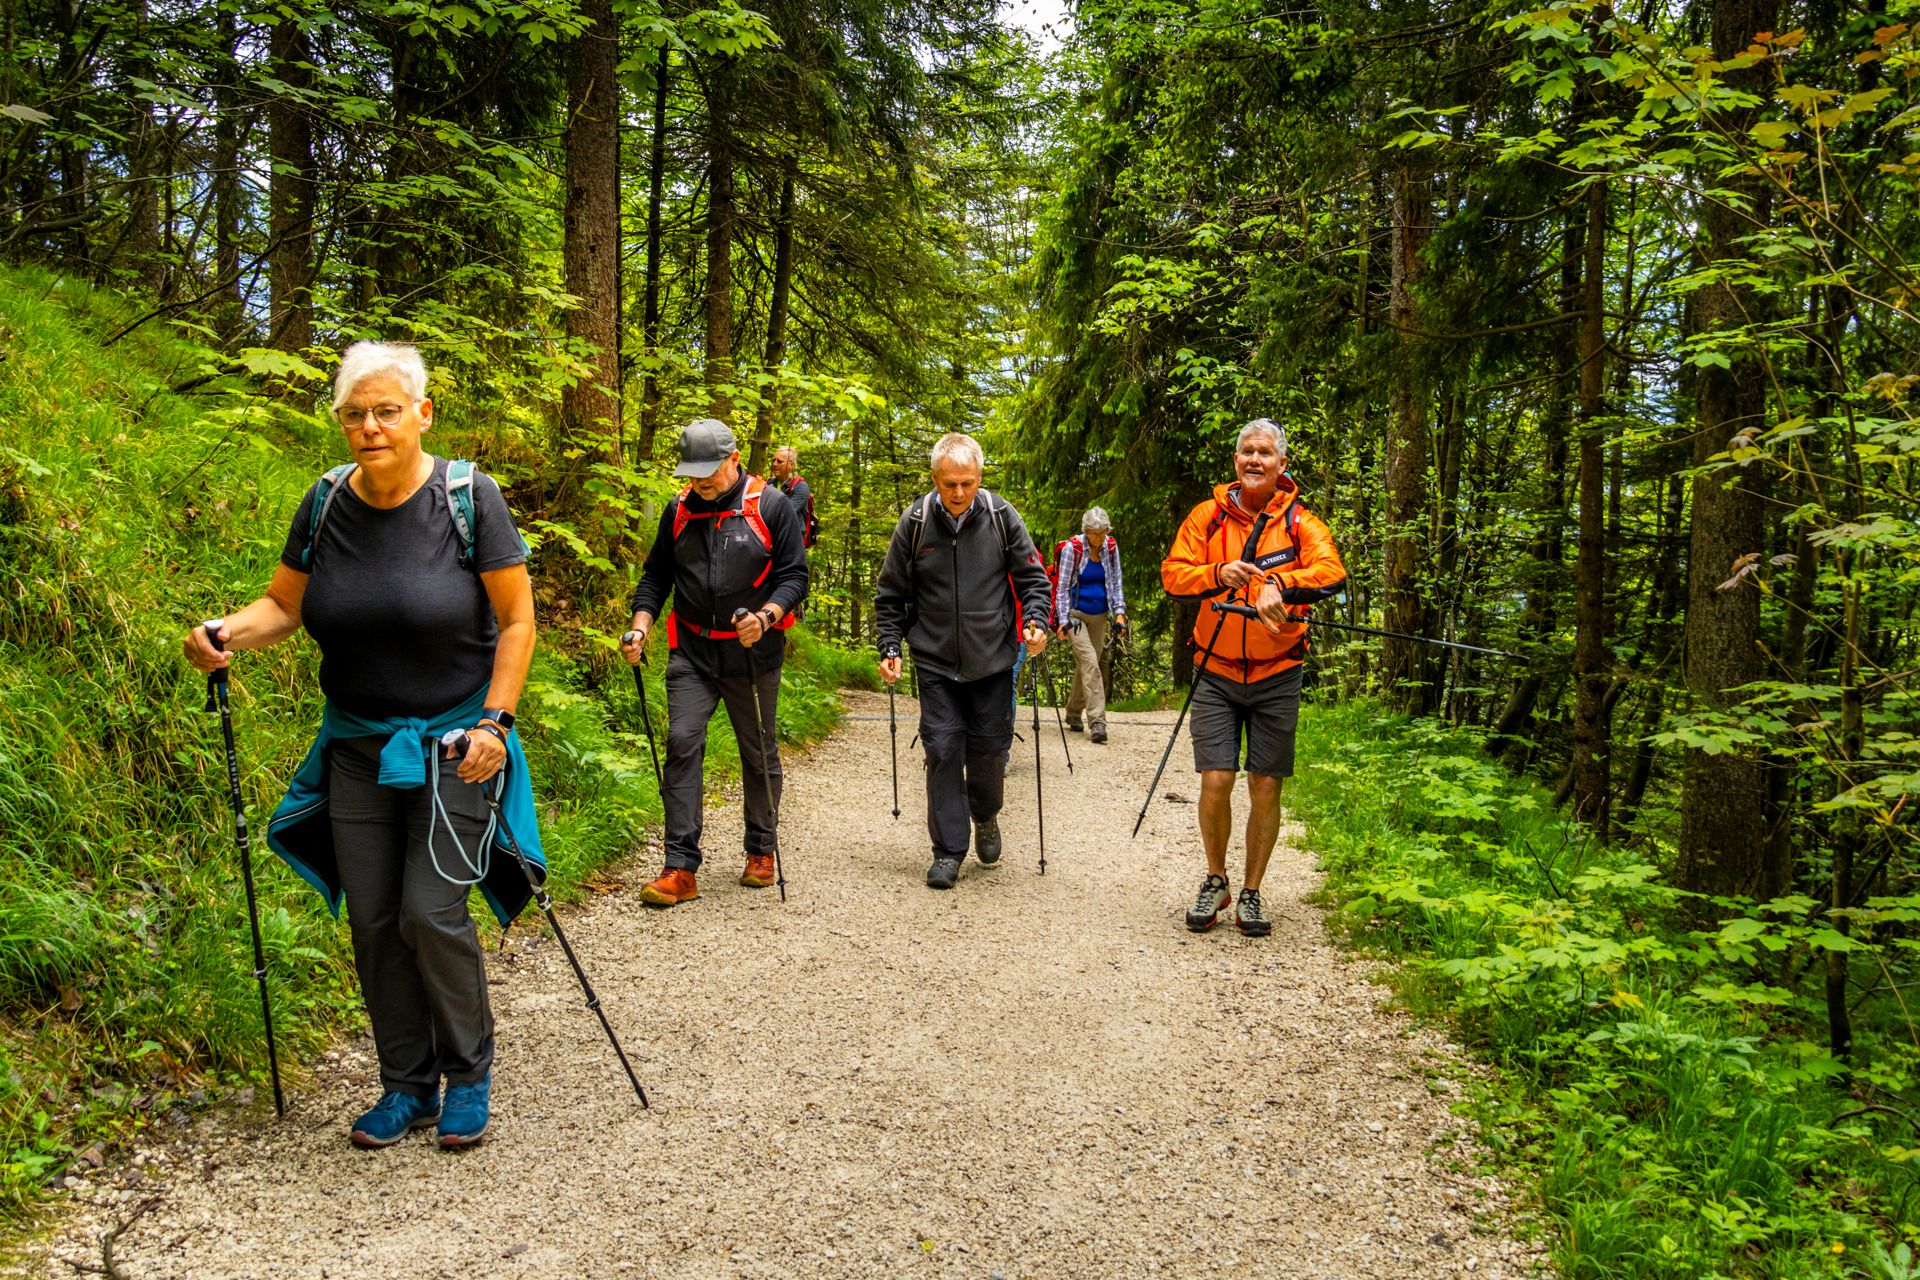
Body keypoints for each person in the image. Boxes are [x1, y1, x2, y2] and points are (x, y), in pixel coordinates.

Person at [182, 340, 538, 1149]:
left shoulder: (467, 497)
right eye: (354, 414)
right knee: (374, 919)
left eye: (385, 411)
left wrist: (495, 723)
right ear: (340, 422)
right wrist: (224, 632)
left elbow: (516, 621)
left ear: (421, 413)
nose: (370, 426)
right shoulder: (325, 501)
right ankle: (404, 1085)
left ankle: (468, 1073)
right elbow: (282, 605)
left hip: (455, 747)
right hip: (355, 746)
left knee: (430, 911)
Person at [1160, 418, 1345, 937]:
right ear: (1236, 461)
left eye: (1265, 453)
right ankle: (1215, 879)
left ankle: (1252, 893)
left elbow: (1330, 572)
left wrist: (1280, 584)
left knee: (1266, 785)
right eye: (1247, 452)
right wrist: (1217, 574)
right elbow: (1174, 573)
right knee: (1216, 779)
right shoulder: (1208, 517)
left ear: (1281, 464)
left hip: (1278, 673)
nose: (1255, 460)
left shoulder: (1301, 521)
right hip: (1215, 669)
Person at [622, 419, 809, 907]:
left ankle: (760, 850)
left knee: (757, 750)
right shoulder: (679, 511)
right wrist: (640, 626)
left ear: (733, 458)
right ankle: (680, 867)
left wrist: (767, 617)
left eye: (708, 472)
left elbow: (794, 577)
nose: (700, 482)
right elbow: (655, 578)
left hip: (752, 653)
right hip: (693, 650)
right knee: (682, 743)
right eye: (692, 473)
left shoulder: (770, 505)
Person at [874, 433, 1052, 889]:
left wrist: (1035, 622)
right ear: (934, 478)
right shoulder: (914, 522)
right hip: (934, 660)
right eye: (950, 483)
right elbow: (890, 594)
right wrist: (890, 646)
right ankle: (947, 851)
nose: (958, 493)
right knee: (942, 749)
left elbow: (1033, 579)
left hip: (992, 659)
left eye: (967, 483)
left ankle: (986, 814)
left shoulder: (1000, 516)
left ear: (979, 478)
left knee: (989, 753)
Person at [1052, 507, 1128, 744]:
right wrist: (1063, 620)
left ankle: (1073, 713)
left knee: (1088, 665)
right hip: (1075, 615)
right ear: (1086, 531)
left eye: (1102, 533)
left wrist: (1119, 614)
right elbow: (1062, 588)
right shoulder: (1071, 549)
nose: (1098, 538)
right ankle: (1097, 721)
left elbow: (1116, 582)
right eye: (1093, 533)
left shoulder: (1111, 548)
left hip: (1100, 615)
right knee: (1090, 663)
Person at [769, 446, 818, 550]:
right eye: (773, 460)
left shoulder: (800, 487)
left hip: (792, 544)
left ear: (791, 465)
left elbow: (785, 514)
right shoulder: (768, 484)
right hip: (771, 541)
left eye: (779, 461)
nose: (774, 464)